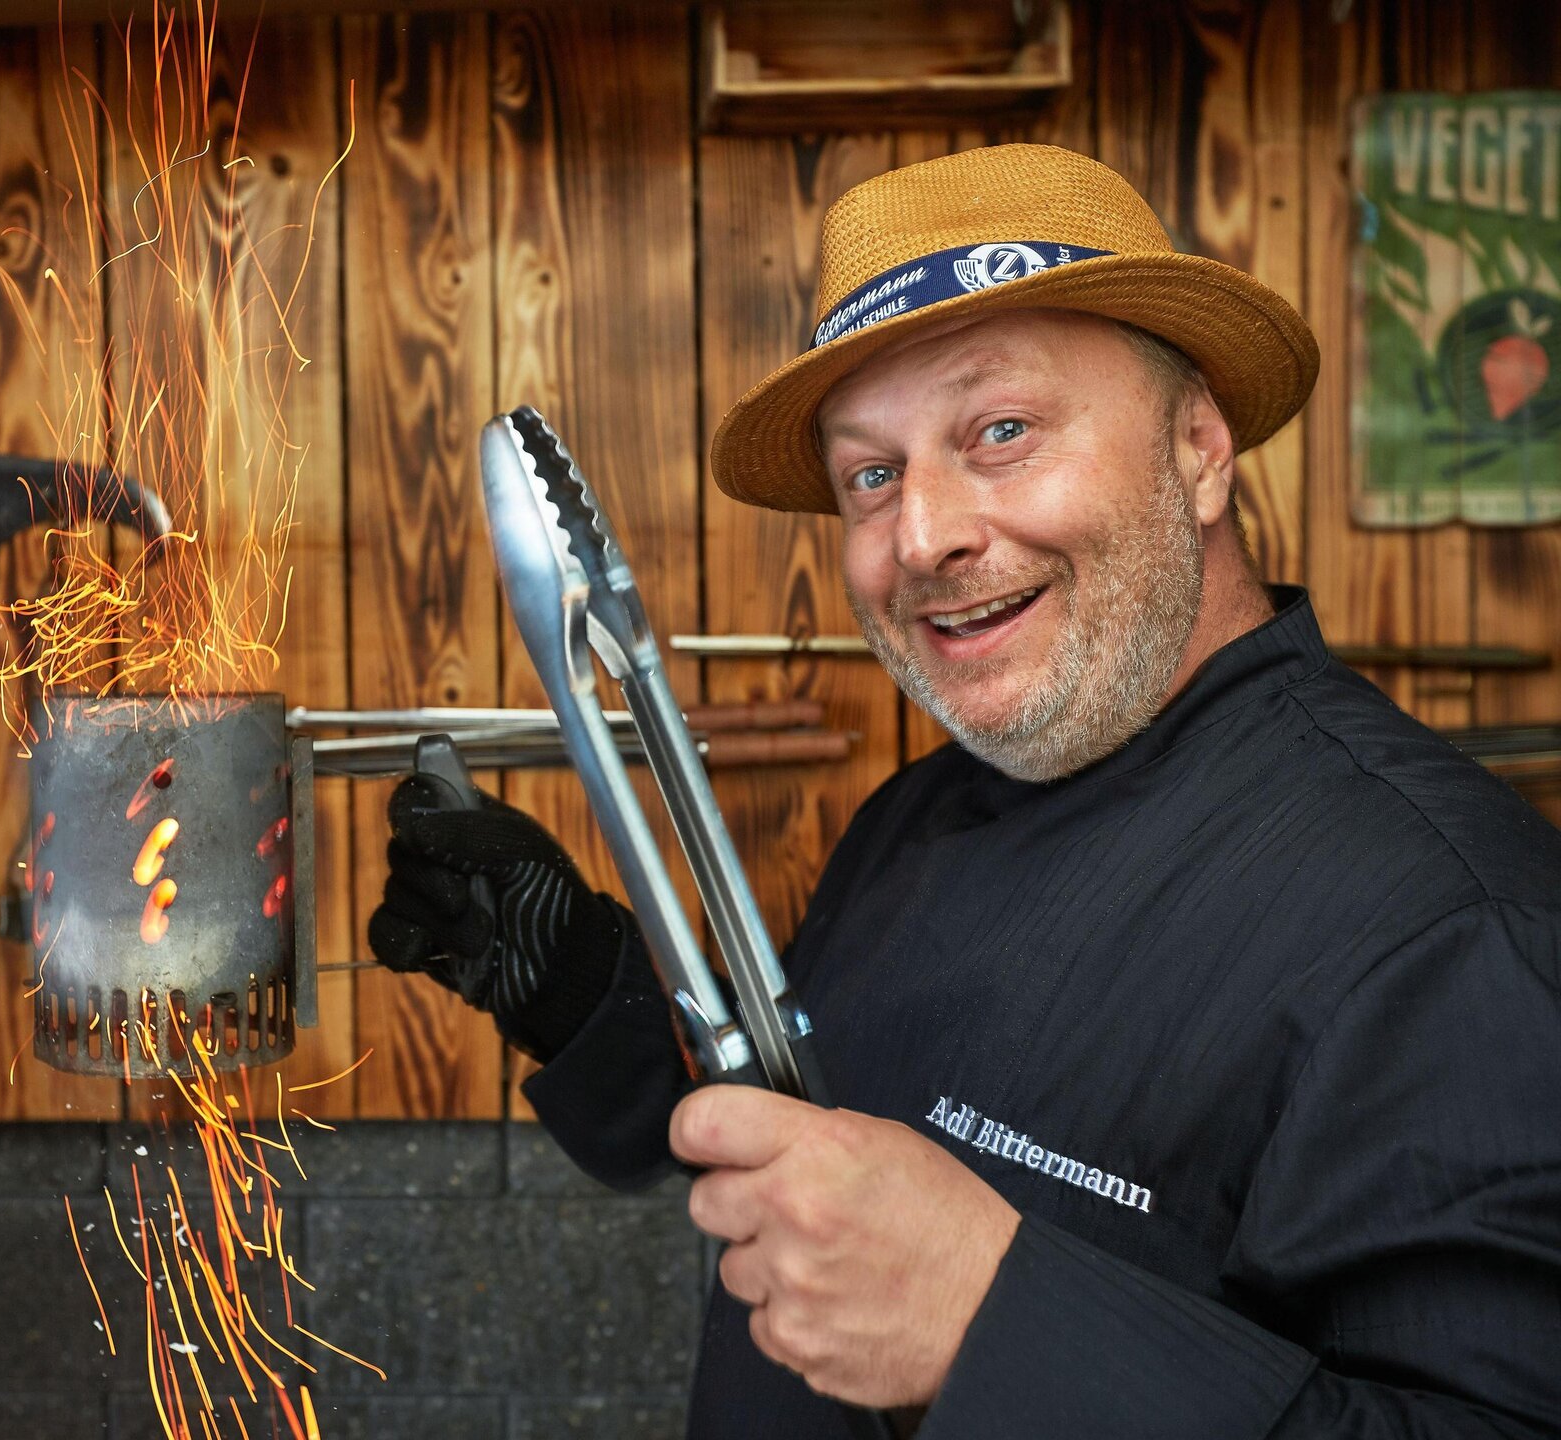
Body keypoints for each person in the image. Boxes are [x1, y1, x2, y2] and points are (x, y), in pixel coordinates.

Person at [367, 145, 1561, 1438]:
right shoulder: (916, 818)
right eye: (870, 474)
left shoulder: (1454, 927)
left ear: (1202, 448)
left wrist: (993, 1324)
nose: (924, 534)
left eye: (1001, 430)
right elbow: (808, 1163)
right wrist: (588, 999)